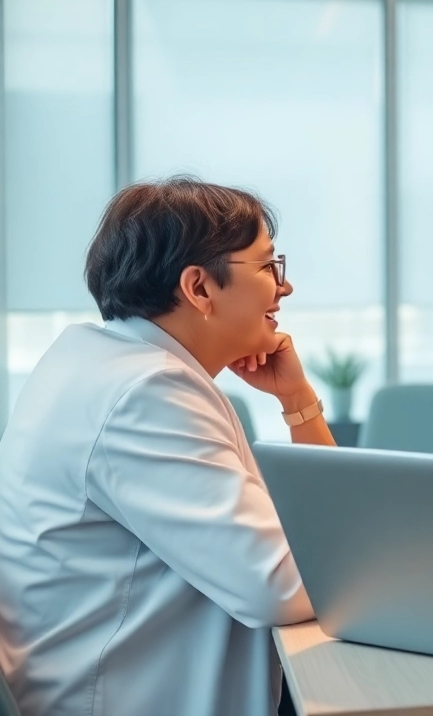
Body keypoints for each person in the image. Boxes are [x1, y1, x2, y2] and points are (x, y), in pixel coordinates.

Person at [0, 177, 334, 716]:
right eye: (268, 266)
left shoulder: (98, 359)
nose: (285, 287)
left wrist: (296, 400)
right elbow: (281, 583)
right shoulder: (147, 392)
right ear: (199, 288)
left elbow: (309, 530)